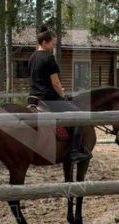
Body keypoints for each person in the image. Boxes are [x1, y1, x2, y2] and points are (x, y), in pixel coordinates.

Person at [27, 25, 90, 163]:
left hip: (33, 98)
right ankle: (74, 151)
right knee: (79, 116)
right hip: (49, 99)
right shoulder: (48, 58)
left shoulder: (32, 57)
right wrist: (62, 95)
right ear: (44, 42)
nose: (53, 46)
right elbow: (55, 83)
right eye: (52, 43)